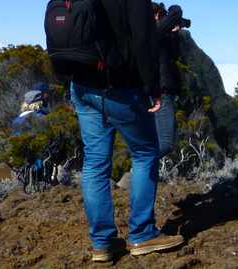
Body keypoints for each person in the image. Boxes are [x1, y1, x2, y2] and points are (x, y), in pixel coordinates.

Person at [65, 0, 183, 262]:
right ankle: (142, 234)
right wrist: (152, 87)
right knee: (145, 153)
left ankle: (102, 244)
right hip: (118, 87)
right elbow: (144, 39)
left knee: (95, 163)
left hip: (81, 86)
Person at [152, 2, 186, 158]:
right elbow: (176, 12)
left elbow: (170, 55)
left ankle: (136, 176)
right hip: (161, 93)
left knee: (152, 140)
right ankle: (134, 173)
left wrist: (172, 34)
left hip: (155, 91)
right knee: (165, 144)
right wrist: (173, 13)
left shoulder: (152, 33)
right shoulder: (152, 30)